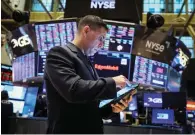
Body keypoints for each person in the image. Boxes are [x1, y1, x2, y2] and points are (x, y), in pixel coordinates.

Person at [44, 15, 136, 134]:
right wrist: (112, 82)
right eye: (101, 38)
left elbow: (92, 103)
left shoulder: (87, 62)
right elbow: (73, 90)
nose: (102, 45)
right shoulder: (59, 53)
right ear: (86, 30)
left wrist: (112, 108)